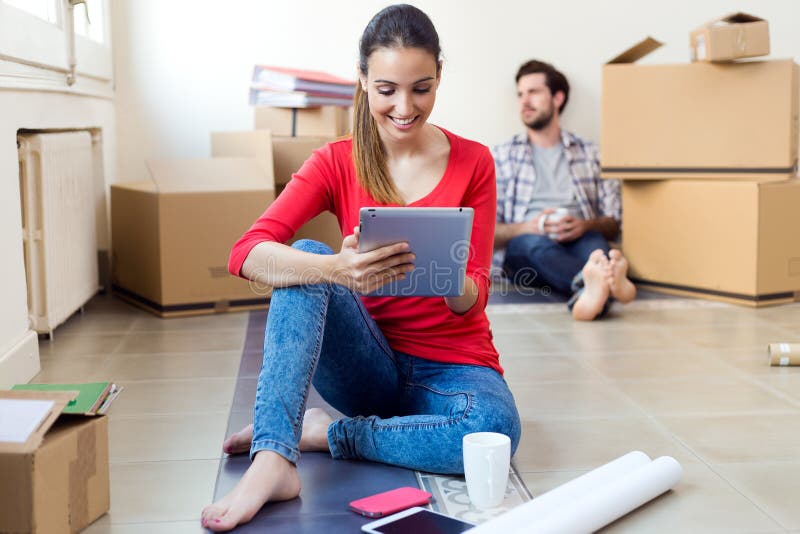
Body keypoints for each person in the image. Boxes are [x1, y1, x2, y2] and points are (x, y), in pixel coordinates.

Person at [201, 5, 521, 531]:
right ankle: (273, 459)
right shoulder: (334, 160)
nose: (404, 107)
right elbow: (246, 252)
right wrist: (339, 270)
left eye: (421, 88)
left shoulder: (475, 161)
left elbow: (476, 294)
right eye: (387, 89)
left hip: (452, 366)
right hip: (365, 364)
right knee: (308, 254)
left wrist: (449, 277)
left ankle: (328, 434)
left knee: (495, 429)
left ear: (439, 75)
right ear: (363, 82)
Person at [492, 59, 636, 321]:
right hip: (528, 244)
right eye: (520, 94)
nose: (524, 101)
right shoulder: (502, 156)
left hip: (579, 238)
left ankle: (592, 294)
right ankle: (611, 286)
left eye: (533, 92)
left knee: (596, 248)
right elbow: (487, 232)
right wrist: (527, 227)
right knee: (536, 247)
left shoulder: (590, 152)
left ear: (558, 98)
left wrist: (584, 225)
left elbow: (614, 222)